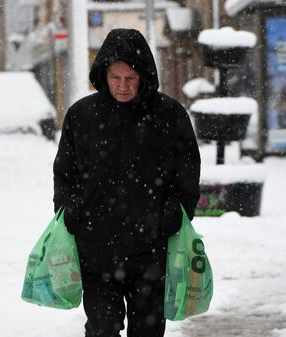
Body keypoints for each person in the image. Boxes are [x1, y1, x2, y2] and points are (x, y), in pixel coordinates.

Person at [53, 28, 200, 337]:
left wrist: (172, 214)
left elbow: (187, 175)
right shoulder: (82, 116)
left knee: (147, 332)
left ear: (144, 75)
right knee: (101, 330)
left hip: (150, 251)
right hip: (95, 251)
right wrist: (70, 211)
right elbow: (65, 173)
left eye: (130, 78)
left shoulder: (169, 116)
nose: (122, 86)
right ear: (103, 75)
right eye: (115, 78)